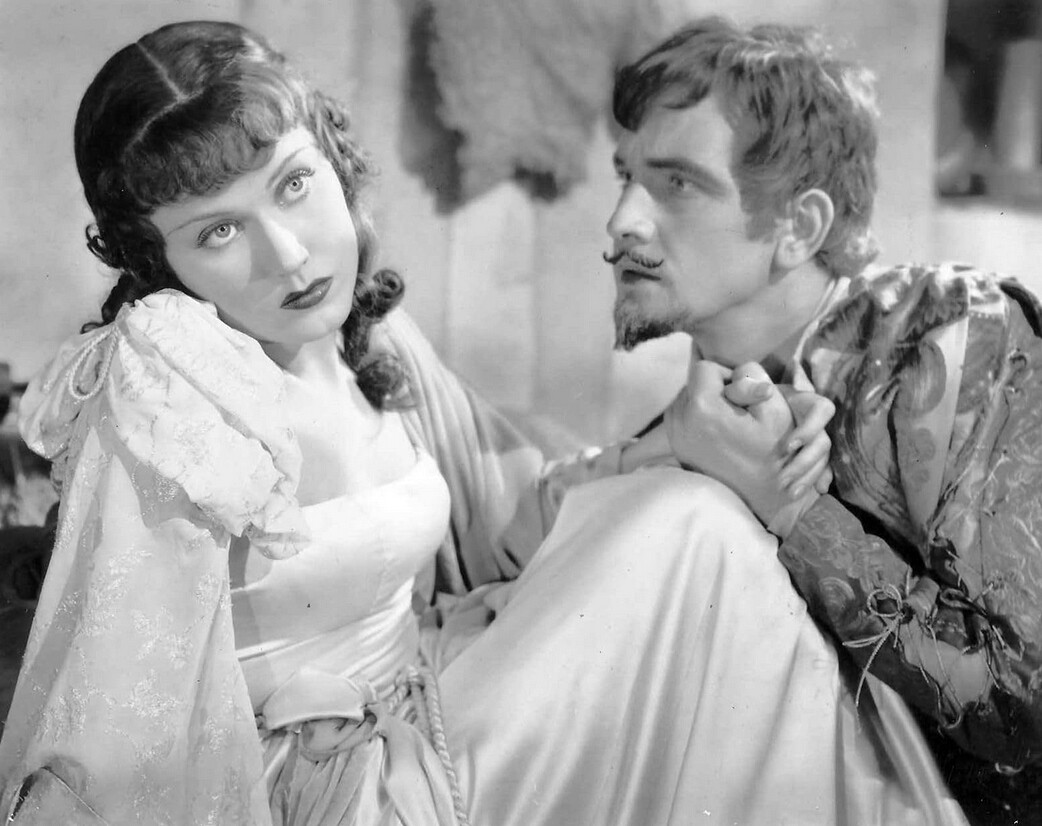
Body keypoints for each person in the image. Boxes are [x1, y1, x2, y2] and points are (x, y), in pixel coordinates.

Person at [0, 19, 965, 826]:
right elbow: (117, 711)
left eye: (293, 184)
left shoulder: (357, 328)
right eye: (218, 231)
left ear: (333, 160)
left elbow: (505, 517)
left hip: (432, 692)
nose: (287, 254)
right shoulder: (169, 381)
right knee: (694, 533)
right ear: (157, 263)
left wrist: (682, 440)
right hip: (327, 792)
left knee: (701, 533)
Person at [605, 13, 1042, 802]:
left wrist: (792, 509)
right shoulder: (706, 411)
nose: (620, 225)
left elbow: (1017, 703)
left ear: (799, 227)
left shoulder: (953, 336)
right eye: (625, 179)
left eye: (676, 184)